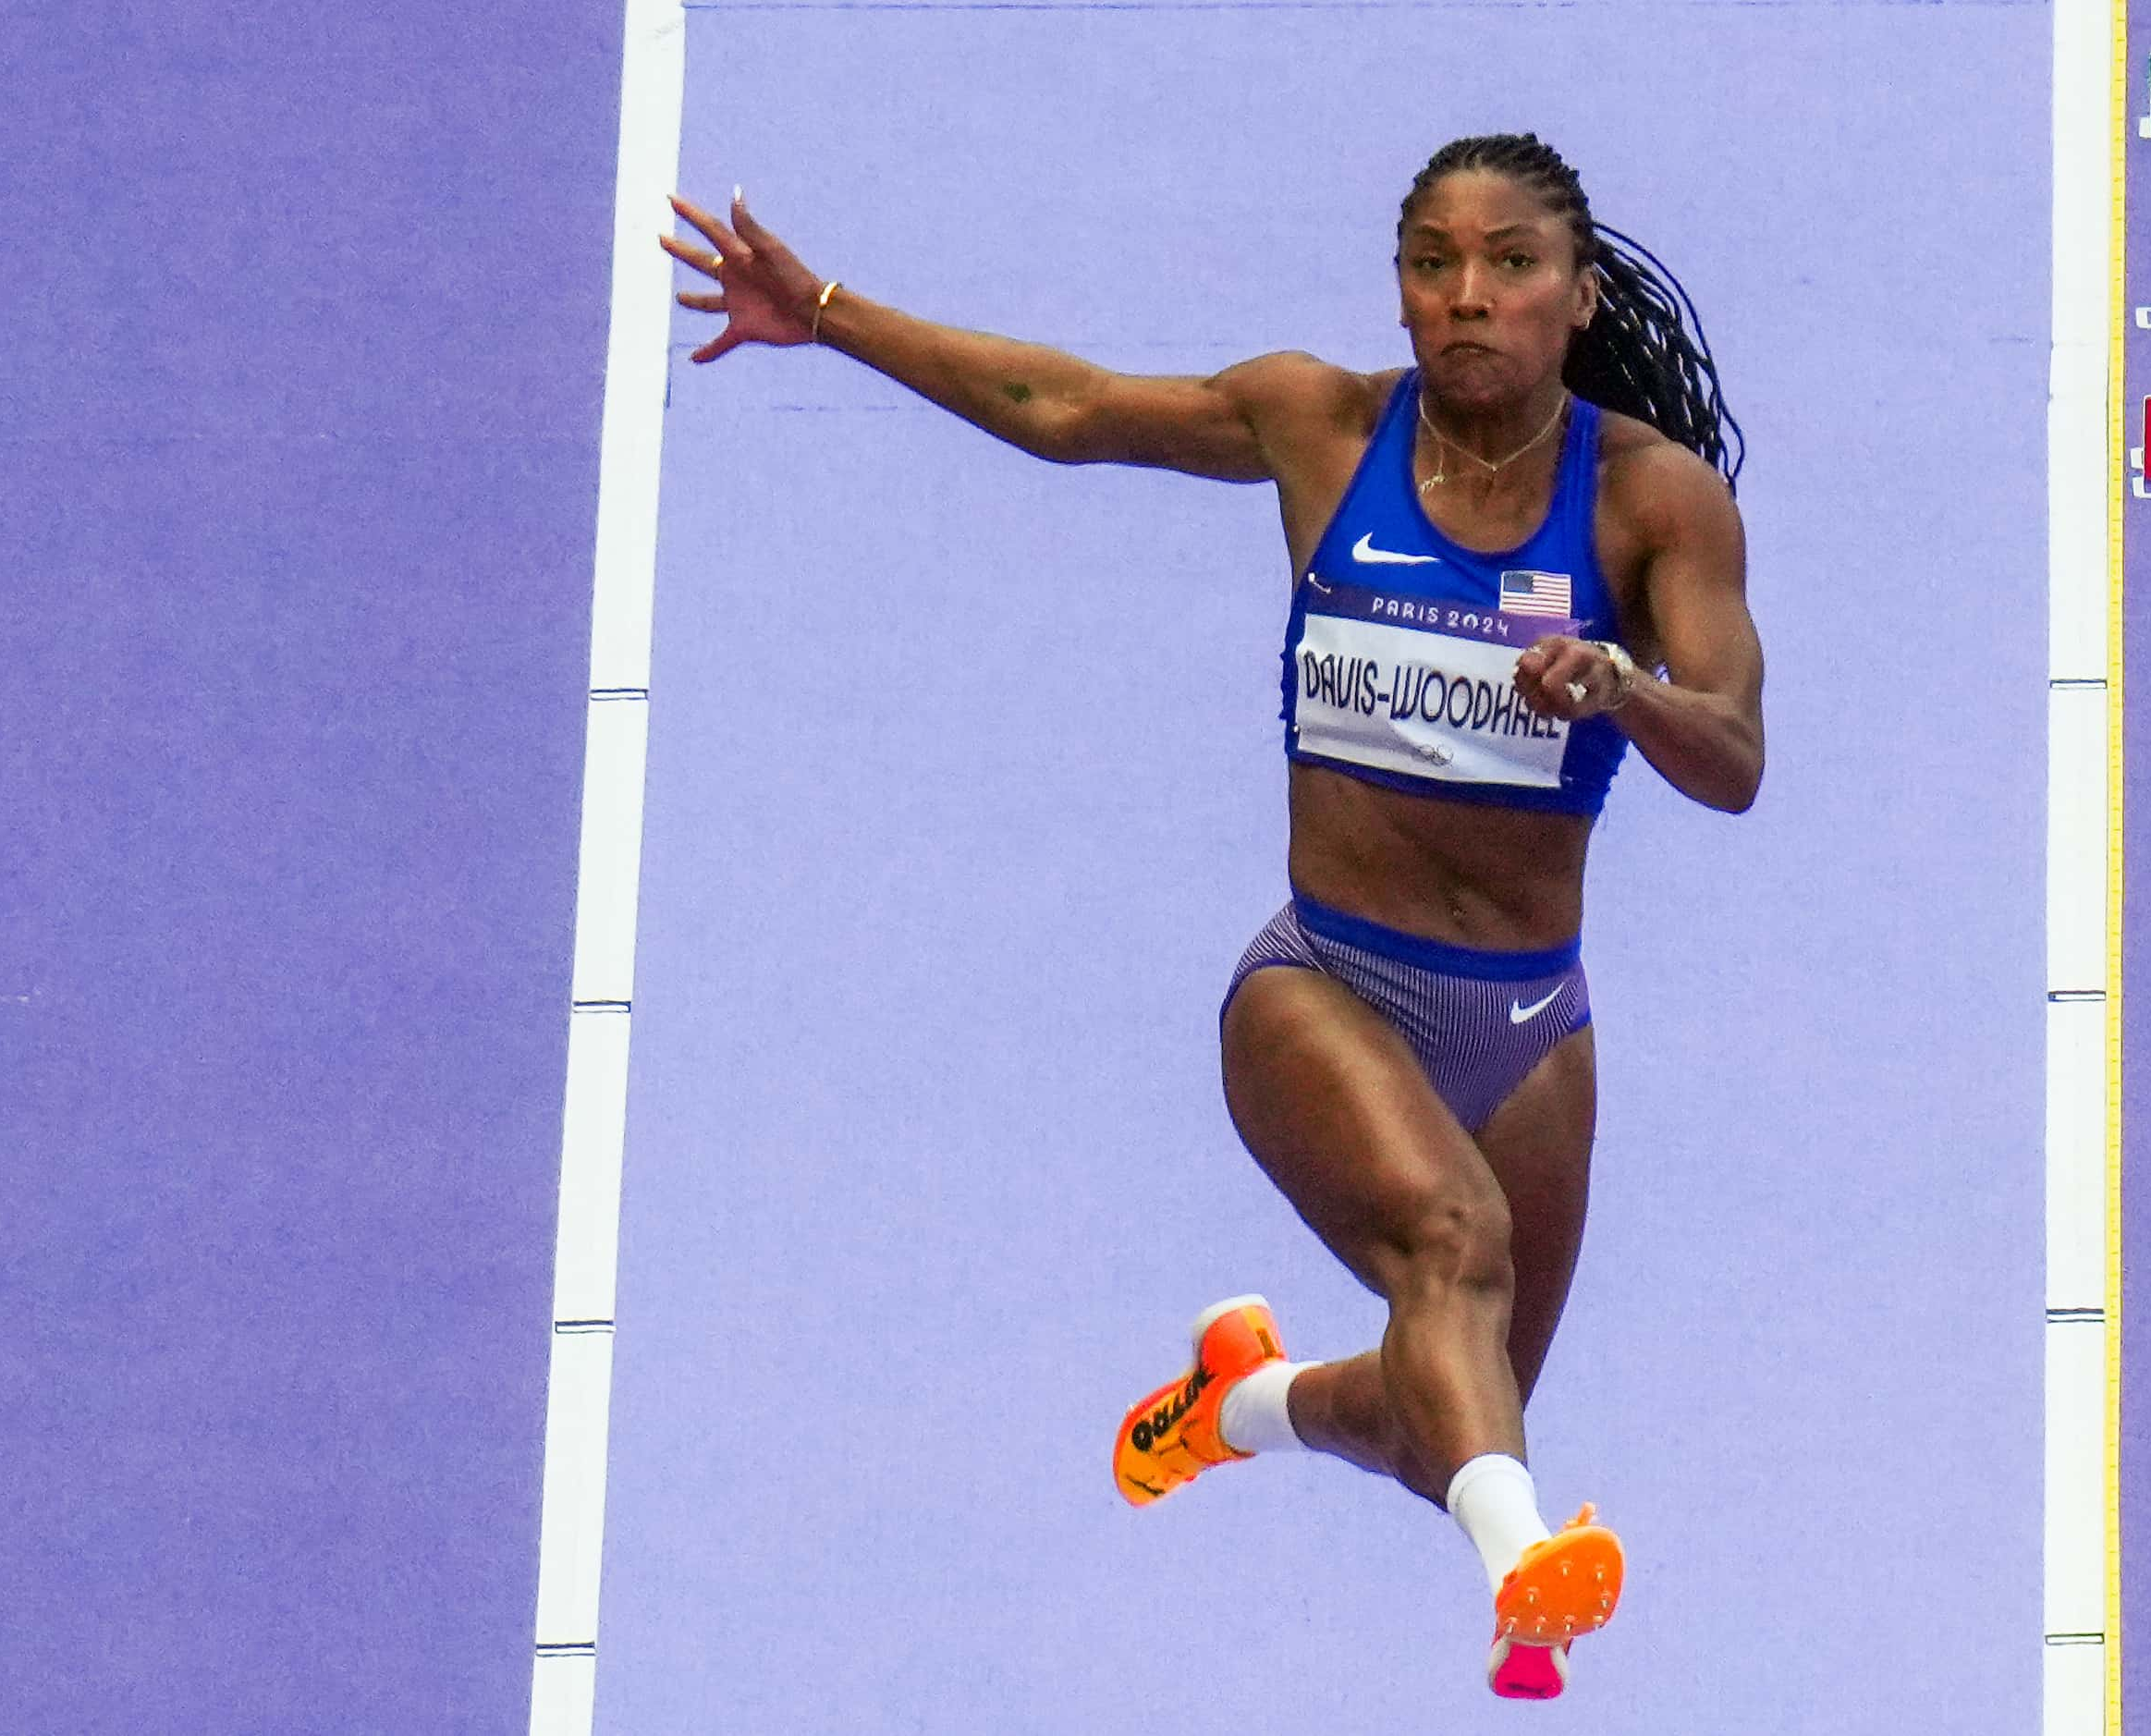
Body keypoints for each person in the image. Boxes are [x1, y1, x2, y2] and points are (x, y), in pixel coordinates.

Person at [663, 130, 1765, 1702]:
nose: (1469, 297)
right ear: (1398, 292)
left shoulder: (1655, 507)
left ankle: (1237, 1401)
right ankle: (1525, 1567)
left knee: (1444, 1409)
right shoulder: (1317, 426)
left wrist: (1626, 686)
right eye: (1433, 265)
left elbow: (1734, 760)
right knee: (1451, 1253)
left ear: (1579, 296)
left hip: (1529, 1023)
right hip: (1320, 987)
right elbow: (1070, 407)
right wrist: (826, 307)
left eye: (1511, 266)